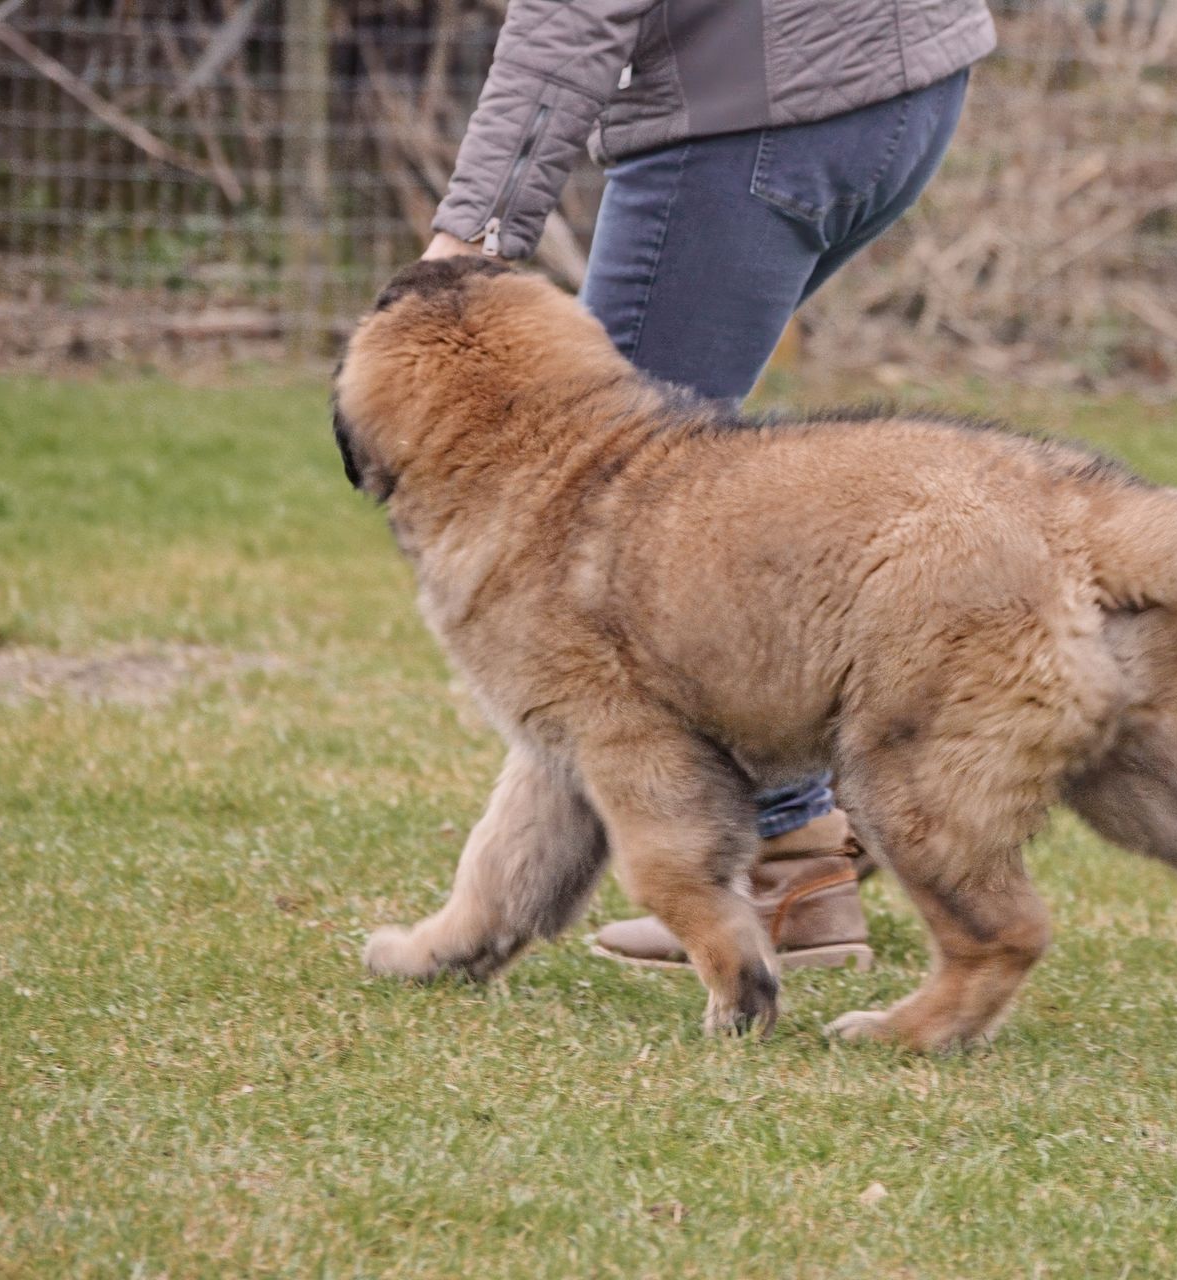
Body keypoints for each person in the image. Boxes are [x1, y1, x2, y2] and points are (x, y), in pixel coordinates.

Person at [421, 0, 994, 970]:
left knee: (601, 549)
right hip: (908, 85)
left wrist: (474, 230)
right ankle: (833, 817)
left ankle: (790, 862)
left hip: (756, 117)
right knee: (663, 517)